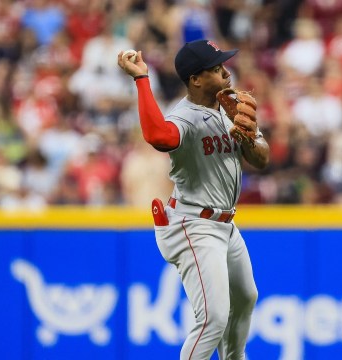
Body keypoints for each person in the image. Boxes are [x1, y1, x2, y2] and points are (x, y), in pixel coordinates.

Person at [117, 39, 269, 360]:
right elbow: (159, 136)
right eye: (216, 69)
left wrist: (249, 138)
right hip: (194, 224)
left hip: (225, 225)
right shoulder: (185, 116)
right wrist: (142, 80)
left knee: (245, 297)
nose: (226, 74)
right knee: (212, 319)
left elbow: (262, 159)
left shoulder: (230, 108)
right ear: (195, 79)